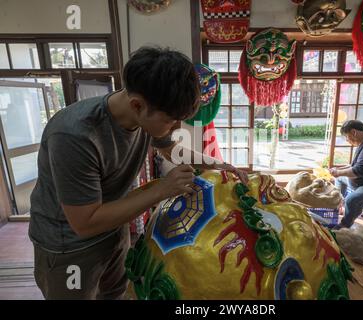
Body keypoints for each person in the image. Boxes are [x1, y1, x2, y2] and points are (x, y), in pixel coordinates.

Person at [29, 46, 248, 300]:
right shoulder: (75, 135)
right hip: (69, 249)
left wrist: (217, 164)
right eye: (171, 120)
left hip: (113, 229)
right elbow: (85, 223)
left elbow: (171, 150)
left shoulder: (145, 115)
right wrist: (163, 189)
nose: (176, 127)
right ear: (137, 105)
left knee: (115, 293)